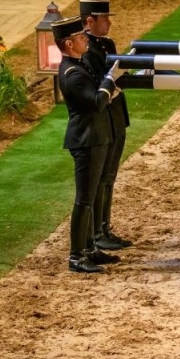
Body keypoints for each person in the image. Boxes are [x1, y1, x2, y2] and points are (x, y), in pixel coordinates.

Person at [55, 16, 122, 274]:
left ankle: (90, 248)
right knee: (84, 199)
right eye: (81, 38)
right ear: (69, 44)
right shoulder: (72, 74)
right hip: (87, 140)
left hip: (96, 137)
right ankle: (76, 256)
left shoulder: (80, 65)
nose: (86, 40)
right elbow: (96, 102)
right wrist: (110, 80)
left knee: (92, 195)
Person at [80, 0, 133, 253]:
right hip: (103, 117)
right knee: (101, 178)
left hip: (116, 116)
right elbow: (103, 81)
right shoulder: (85, 49)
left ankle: (104, 227)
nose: (109, 23)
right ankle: (97, 232)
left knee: (109, 175)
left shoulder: (107, 43)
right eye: (104, 19)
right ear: (90, 21)